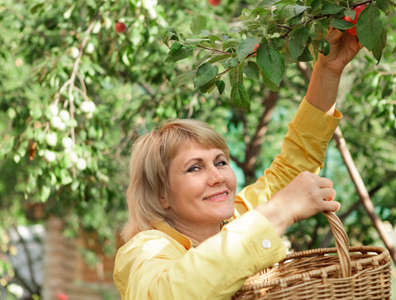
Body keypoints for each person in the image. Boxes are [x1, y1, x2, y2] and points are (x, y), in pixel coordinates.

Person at [113, 28, 362, 299]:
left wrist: (328, 69)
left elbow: (293, 166)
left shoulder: (235, 222)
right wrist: (279, 212)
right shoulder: (145, 249)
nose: (217, 176)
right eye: (194, 167)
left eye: (220, 162)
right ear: (162, 194)